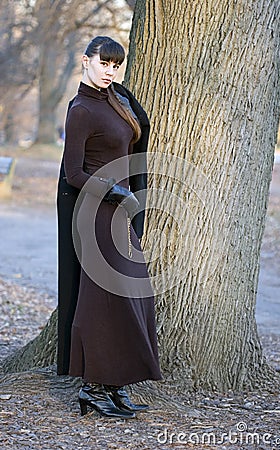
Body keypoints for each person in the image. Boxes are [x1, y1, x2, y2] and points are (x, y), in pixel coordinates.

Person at [56, 36, 162, 419]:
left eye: (116, 65)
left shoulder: (119, 100)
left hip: (119, 213)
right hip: (96, 212)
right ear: (86, 61)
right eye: (104, 63)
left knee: (131, 296)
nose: (110, 71)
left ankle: (114, 384)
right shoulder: (81, 110)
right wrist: (116, 192)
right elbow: (73, 173)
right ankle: (92, 387)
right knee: (100, 299)